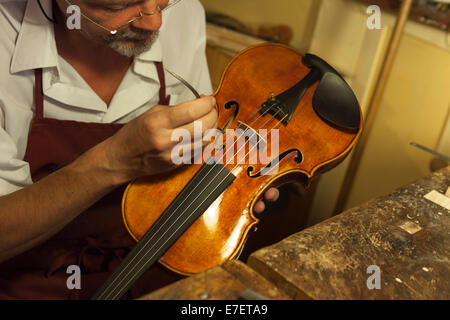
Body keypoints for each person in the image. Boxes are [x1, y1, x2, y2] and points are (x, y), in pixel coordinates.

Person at [0, 0, 279, 299]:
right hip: (26, 276)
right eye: (118, 5)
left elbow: (195, 149)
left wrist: (225, 185)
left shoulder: (184, 12)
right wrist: (113, 162)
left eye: (163, 0)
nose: (154, 23)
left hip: (150, 261)